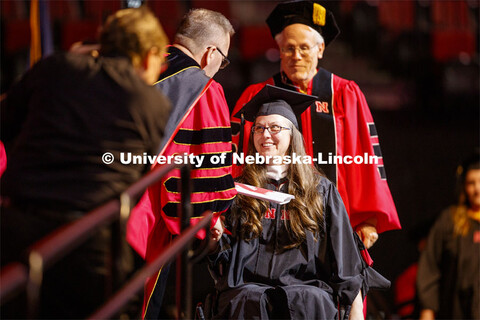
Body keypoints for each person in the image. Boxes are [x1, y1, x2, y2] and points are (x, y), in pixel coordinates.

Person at [0, 6, 170, 318]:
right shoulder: (151, 102)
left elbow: (7, 124)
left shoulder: (54, 68)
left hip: (17, 226)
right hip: (89, 241)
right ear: (149, 56)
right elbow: (138, 171)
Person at [208, 85, 389, 319]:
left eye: (274, 128)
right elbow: (222, 264)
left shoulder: (320, 191)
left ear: (292, 135)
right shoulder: (239, 191)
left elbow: (345, 259)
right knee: (242, 299)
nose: (265, 135)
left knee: (310, 300)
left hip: (307, 296)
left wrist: (356, 312)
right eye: (259, 128)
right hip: (249, 296)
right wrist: (213, 241)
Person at [231, 0, 401, 250]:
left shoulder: (343, 94)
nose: (296, 56)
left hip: (333, 224)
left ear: (320, 49)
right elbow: (236, 158)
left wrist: (368, 218)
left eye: (304, 48)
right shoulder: (258, 98)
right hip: (269, 226)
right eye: (289, 48)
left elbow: (365, 156)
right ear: (279, 50)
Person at [125, 8, 237, 319]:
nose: (220, 67)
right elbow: (208, 165)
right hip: (147, 216)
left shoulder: (138, 65)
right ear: (209, 53)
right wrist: (208, 217)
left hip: (101, 199)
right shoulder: (204, 88)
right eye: (223, 59)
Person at [416, 154, 480, 319]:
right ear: (464, 187)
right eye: (471, 183)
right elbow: (430, 266)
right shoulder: (450, 221)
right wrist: (427, 310)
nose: (477, 189)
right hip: (455, 311)